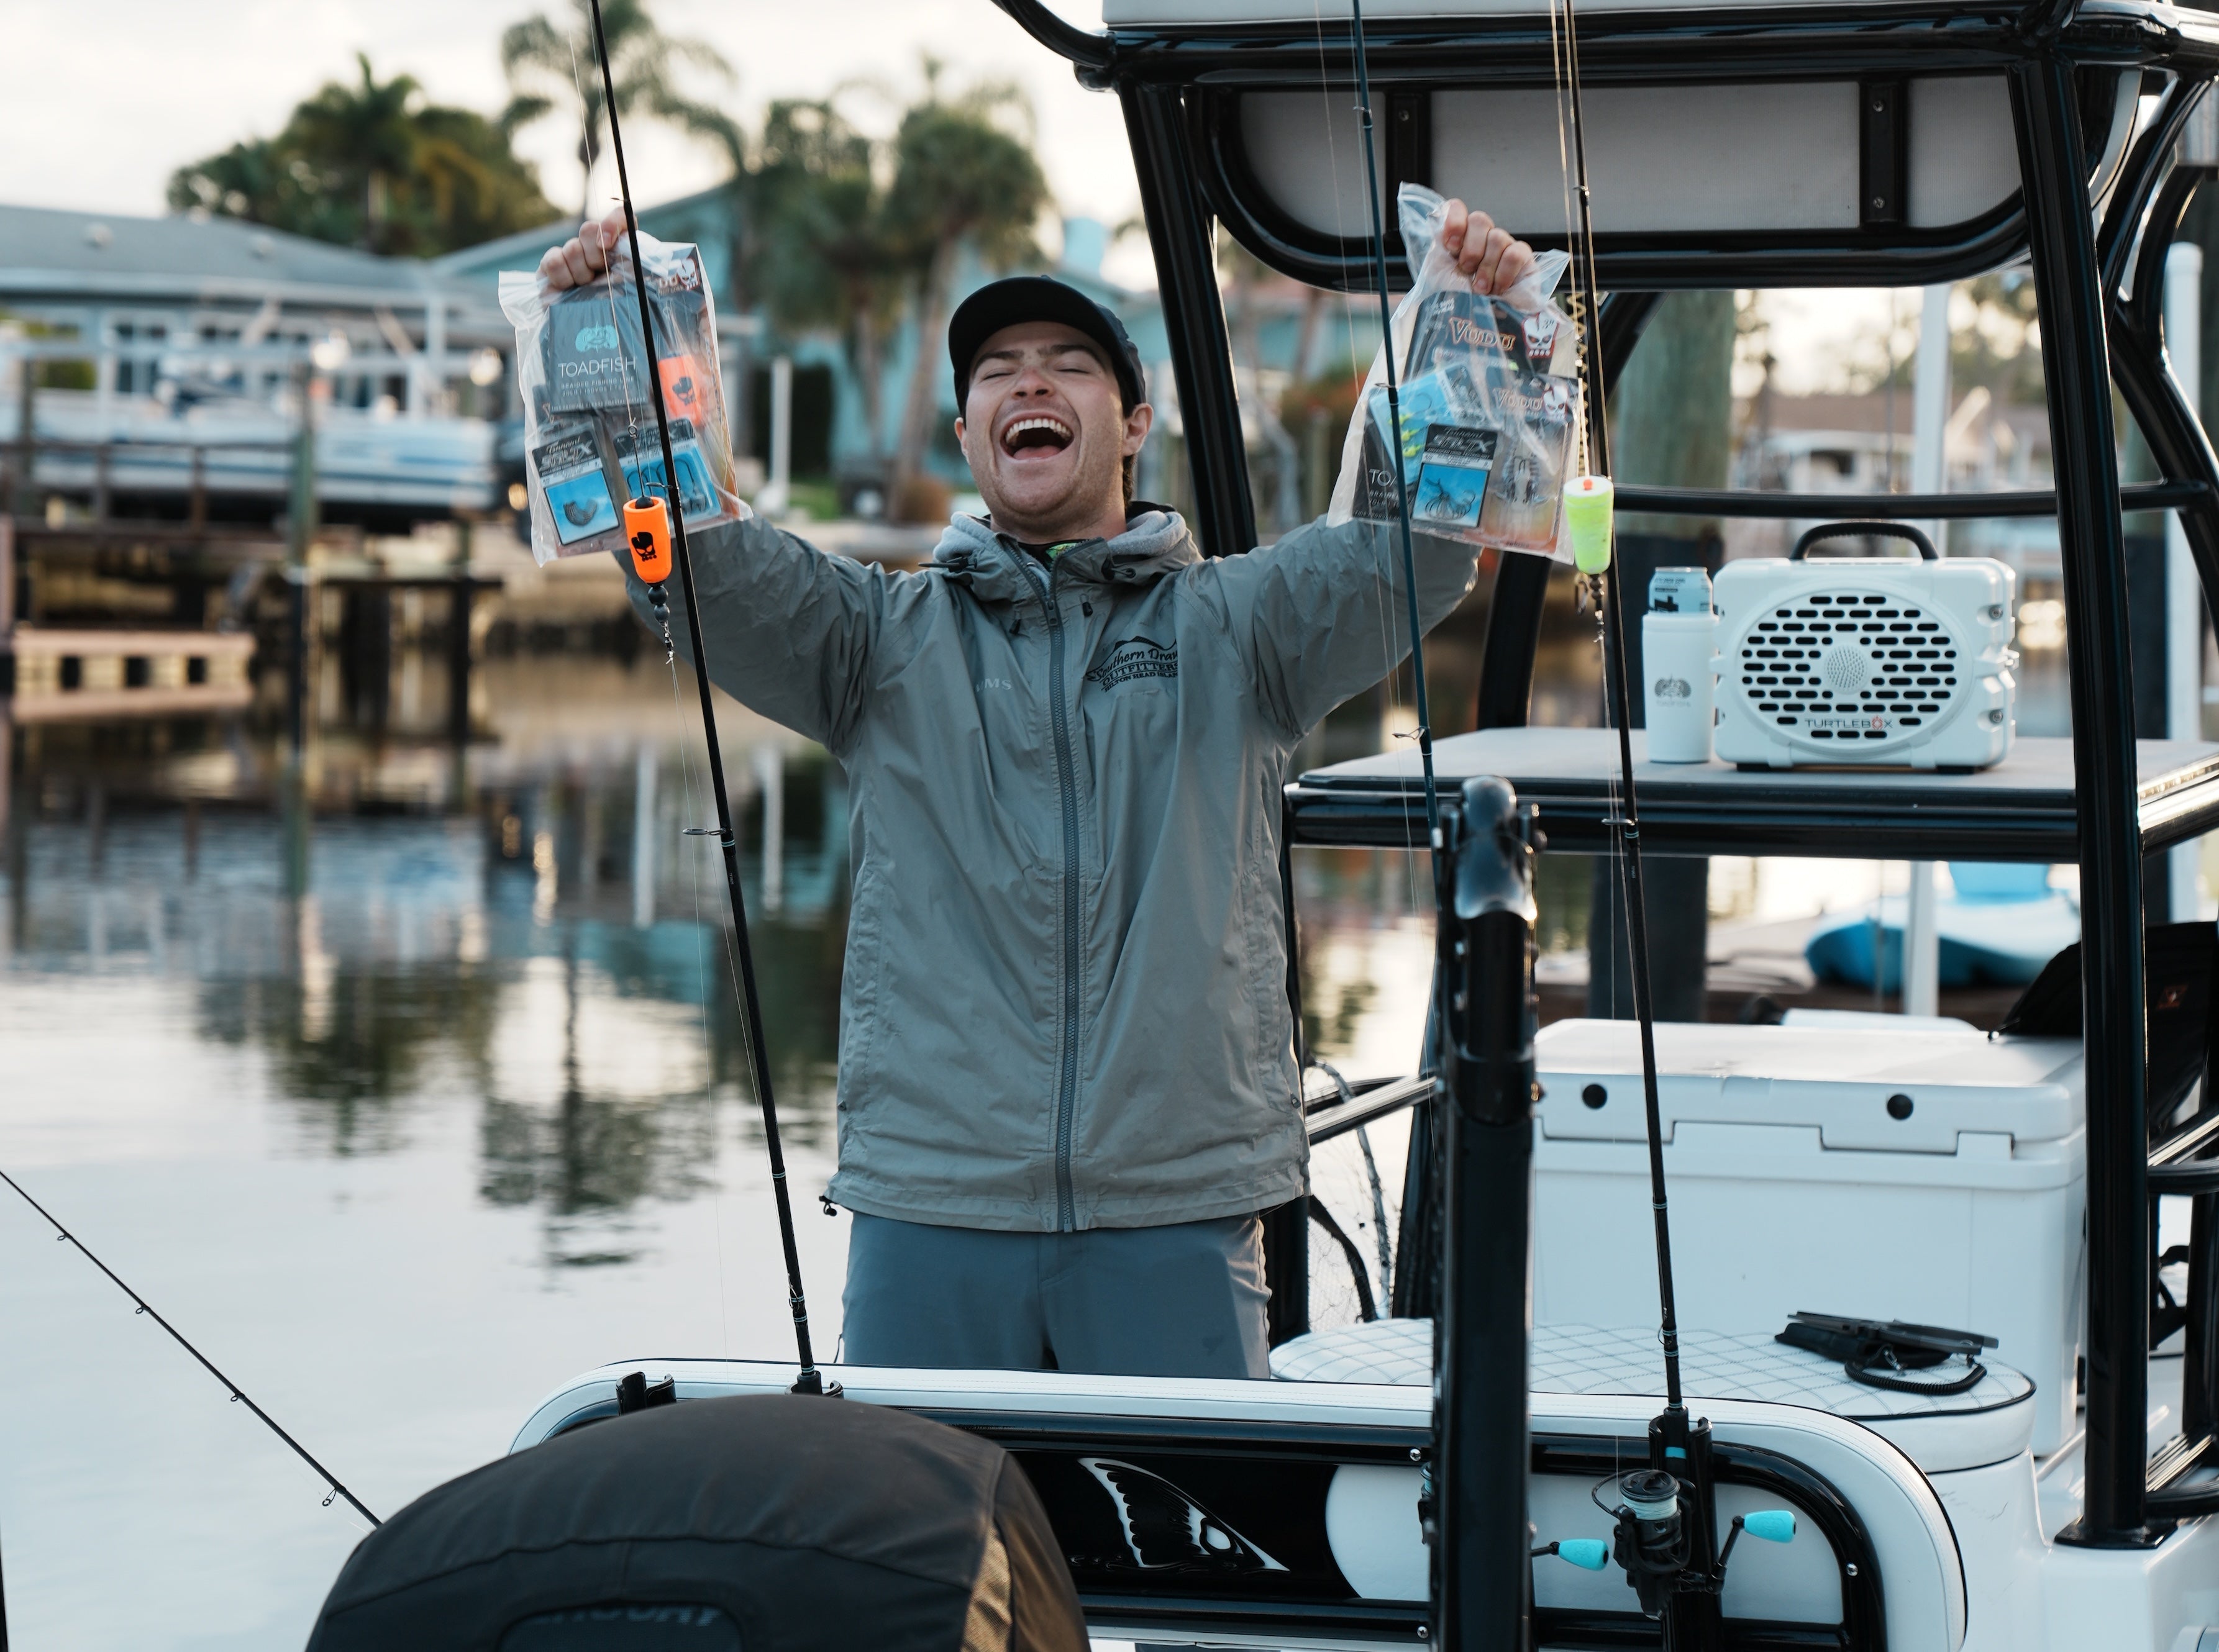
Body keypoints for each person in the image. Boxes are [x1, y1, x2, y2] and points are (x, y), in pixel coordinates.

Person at [539, 201, 1534, 1379]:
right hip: (932, 1200)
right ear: (968, 434)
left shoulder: (1243, 625)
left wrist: (1482, 323)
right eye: (999, 372)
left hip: (1180, 1200)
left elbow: (1416, 545)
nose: (1031, 384)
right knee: (925, 1551)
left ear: (1133, 424)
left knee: (1190, 1552)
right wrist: (600, 338)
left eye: (1068, 366)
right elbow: (692, 562)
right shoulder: (875, 638)